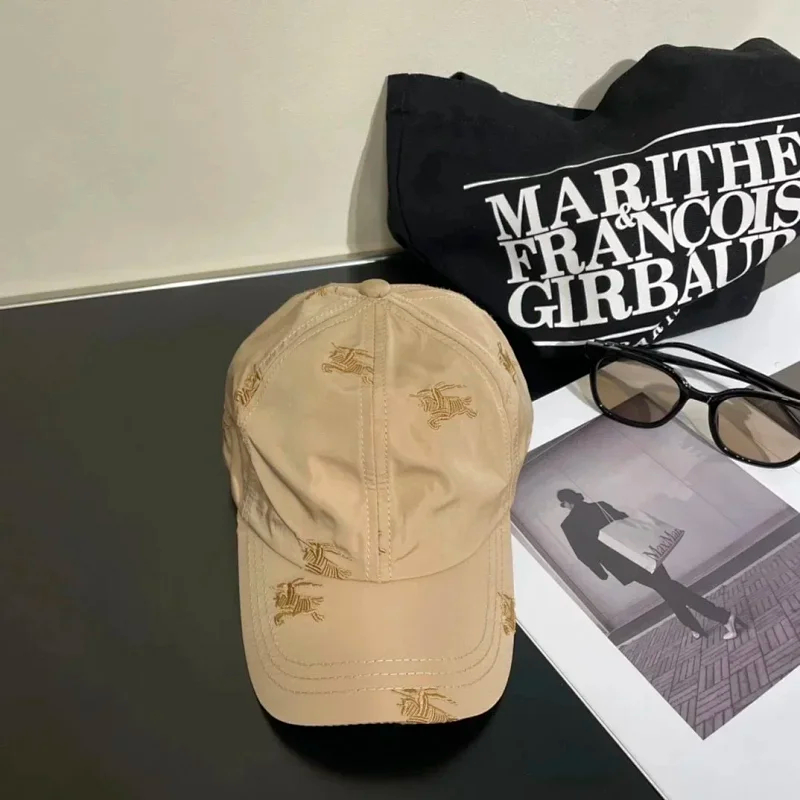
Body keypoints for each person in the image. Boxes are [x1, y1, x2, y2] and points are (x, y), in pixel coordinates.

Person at [556, 488, 739, 640]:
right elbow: (626, 521)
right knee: (667, 588)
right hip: (643, 553)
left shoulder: (569, 525)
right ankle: (696, 626)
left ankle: (723, 617)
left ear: (566, 503)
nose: (564, 507)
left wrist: (600, 573)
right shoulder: (600, 506)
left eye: (562, 504)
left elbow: (582, 553)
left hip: (624, 565)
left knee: (669, 589)